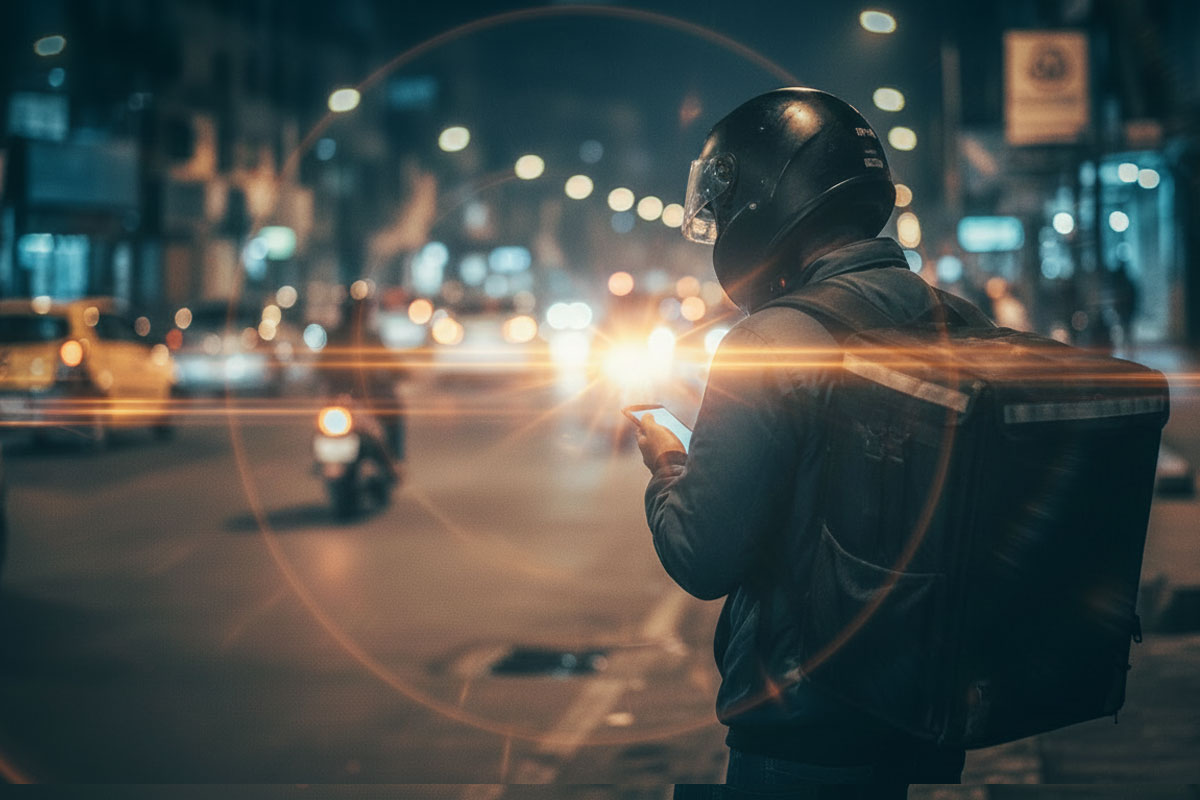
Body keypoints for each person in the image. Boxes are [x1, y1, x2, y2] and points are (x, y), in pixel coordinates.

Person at [634, 88, 984, 796]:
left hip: (799, 736)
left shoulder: (771, 341)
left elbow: (701, 555)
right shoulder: (960, 322)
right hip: (919, 719)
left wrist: (667, 460)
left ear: (768, 198)